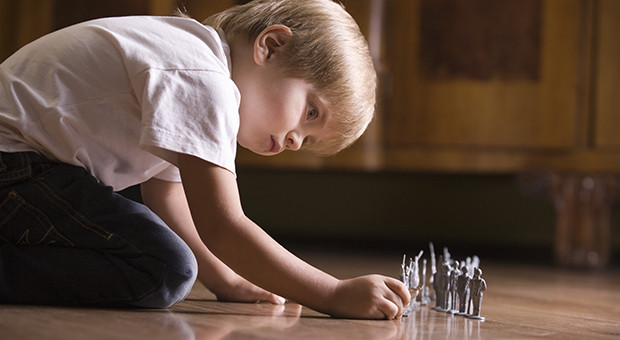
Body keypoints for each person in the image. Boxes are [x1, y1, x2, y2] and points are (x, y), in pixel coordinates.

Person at [0, 0, 410, 319]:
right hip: (13, 161)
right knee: (163, 268)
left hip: (24, 164)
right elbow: (223, 226)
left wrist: (224, 278)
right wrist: (332, 293)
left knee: (162, 253)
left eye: (308, 138)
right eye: (311, 112)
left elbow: (167, 195)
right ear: (270, 46)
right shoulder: (203, 79)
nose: (294, 141)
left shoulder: (188, 57)